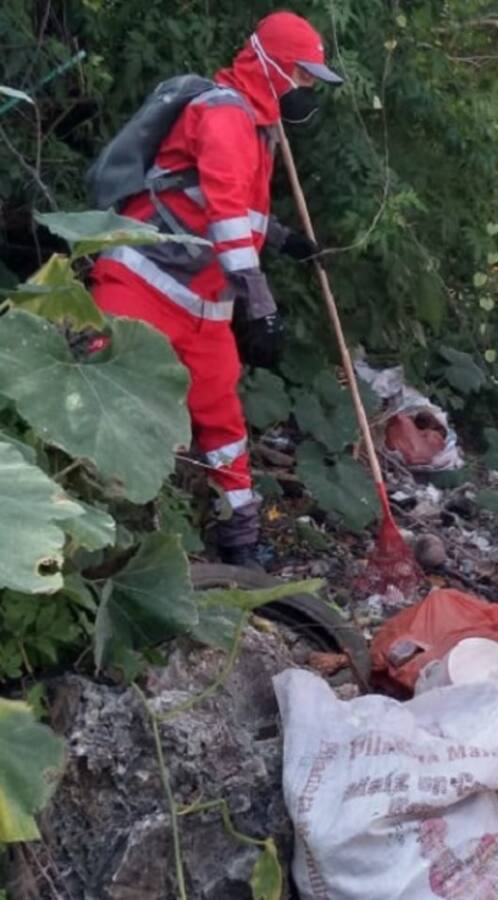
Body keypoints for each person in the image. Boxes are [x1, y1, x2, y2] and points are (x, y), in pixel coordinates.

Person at [88, 12, 342, 567]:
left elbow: (229, 211)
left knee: (223, 421)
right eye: (302, 76)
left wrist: (283, 239)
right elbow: (225, 217)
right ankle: (81, 526)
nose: (305, 89)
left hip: (201, 302)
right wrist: (261, 307)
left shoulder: (255, 124)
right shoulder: (225, 114)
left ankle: (241, 540)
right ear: (273, 65)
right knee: (94, 388)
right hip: (142, 282)